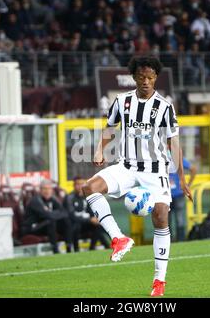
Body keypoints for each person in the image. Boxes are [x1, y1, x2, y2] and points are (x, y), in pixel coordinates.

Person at [82, 56, 192, 297]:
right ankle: (119, 238)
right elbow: (109, 128)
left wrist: (182, 179)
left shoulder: (165, 107)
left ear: (156, 79)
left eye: (150, 77)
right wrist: (100, 148)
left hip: (155, 170)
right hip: (127, 166)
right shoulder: (122, 101)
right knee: (89, 187)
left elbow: (174, 143)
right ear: (134, 77)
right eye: (141, 77)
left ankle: (158, 282)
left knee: (161, 216)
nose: (146, 81)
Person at [21, 180, 74, 254]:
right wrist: (54, 213)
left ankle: (69, 248)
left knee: (66, 220)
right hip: (32, 228)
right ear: (40, 190)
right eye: (44, 189)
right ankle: (55, 250)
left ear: (52, 190)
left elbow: (64, 212)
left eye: (49, 189)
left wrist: (51, 213)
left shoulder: (52, 199)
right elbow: (46, 215)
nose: (47, 191)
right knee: (51, 222)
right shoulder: (36, 200)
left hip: (45, 225)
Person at [64, 176, 110, 252]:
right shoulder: (69, 198)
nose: (80, 186)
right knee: (76, 225)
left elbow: (91, 211)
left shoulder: (87, 197)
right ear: (74, 186)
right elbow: (72, 216)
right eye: (78, 184)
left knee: (99, 224)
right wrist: (89, 220)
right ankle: (76, 249)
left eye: (82, 184)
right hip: (74, 225)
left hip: (86, 224)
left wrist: (95, 219)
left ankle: (92, 248)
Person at [168, 155, 197, 241]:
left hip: (175, 194)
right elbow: (193, 169)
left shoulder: (177, 158)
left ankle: (178, 241)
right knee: (170, 220)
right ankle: (175, 241)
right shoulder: (177, 158)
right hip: (167, 194)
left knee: (175, 219)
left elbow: (193, 169)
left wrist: (188, 185)